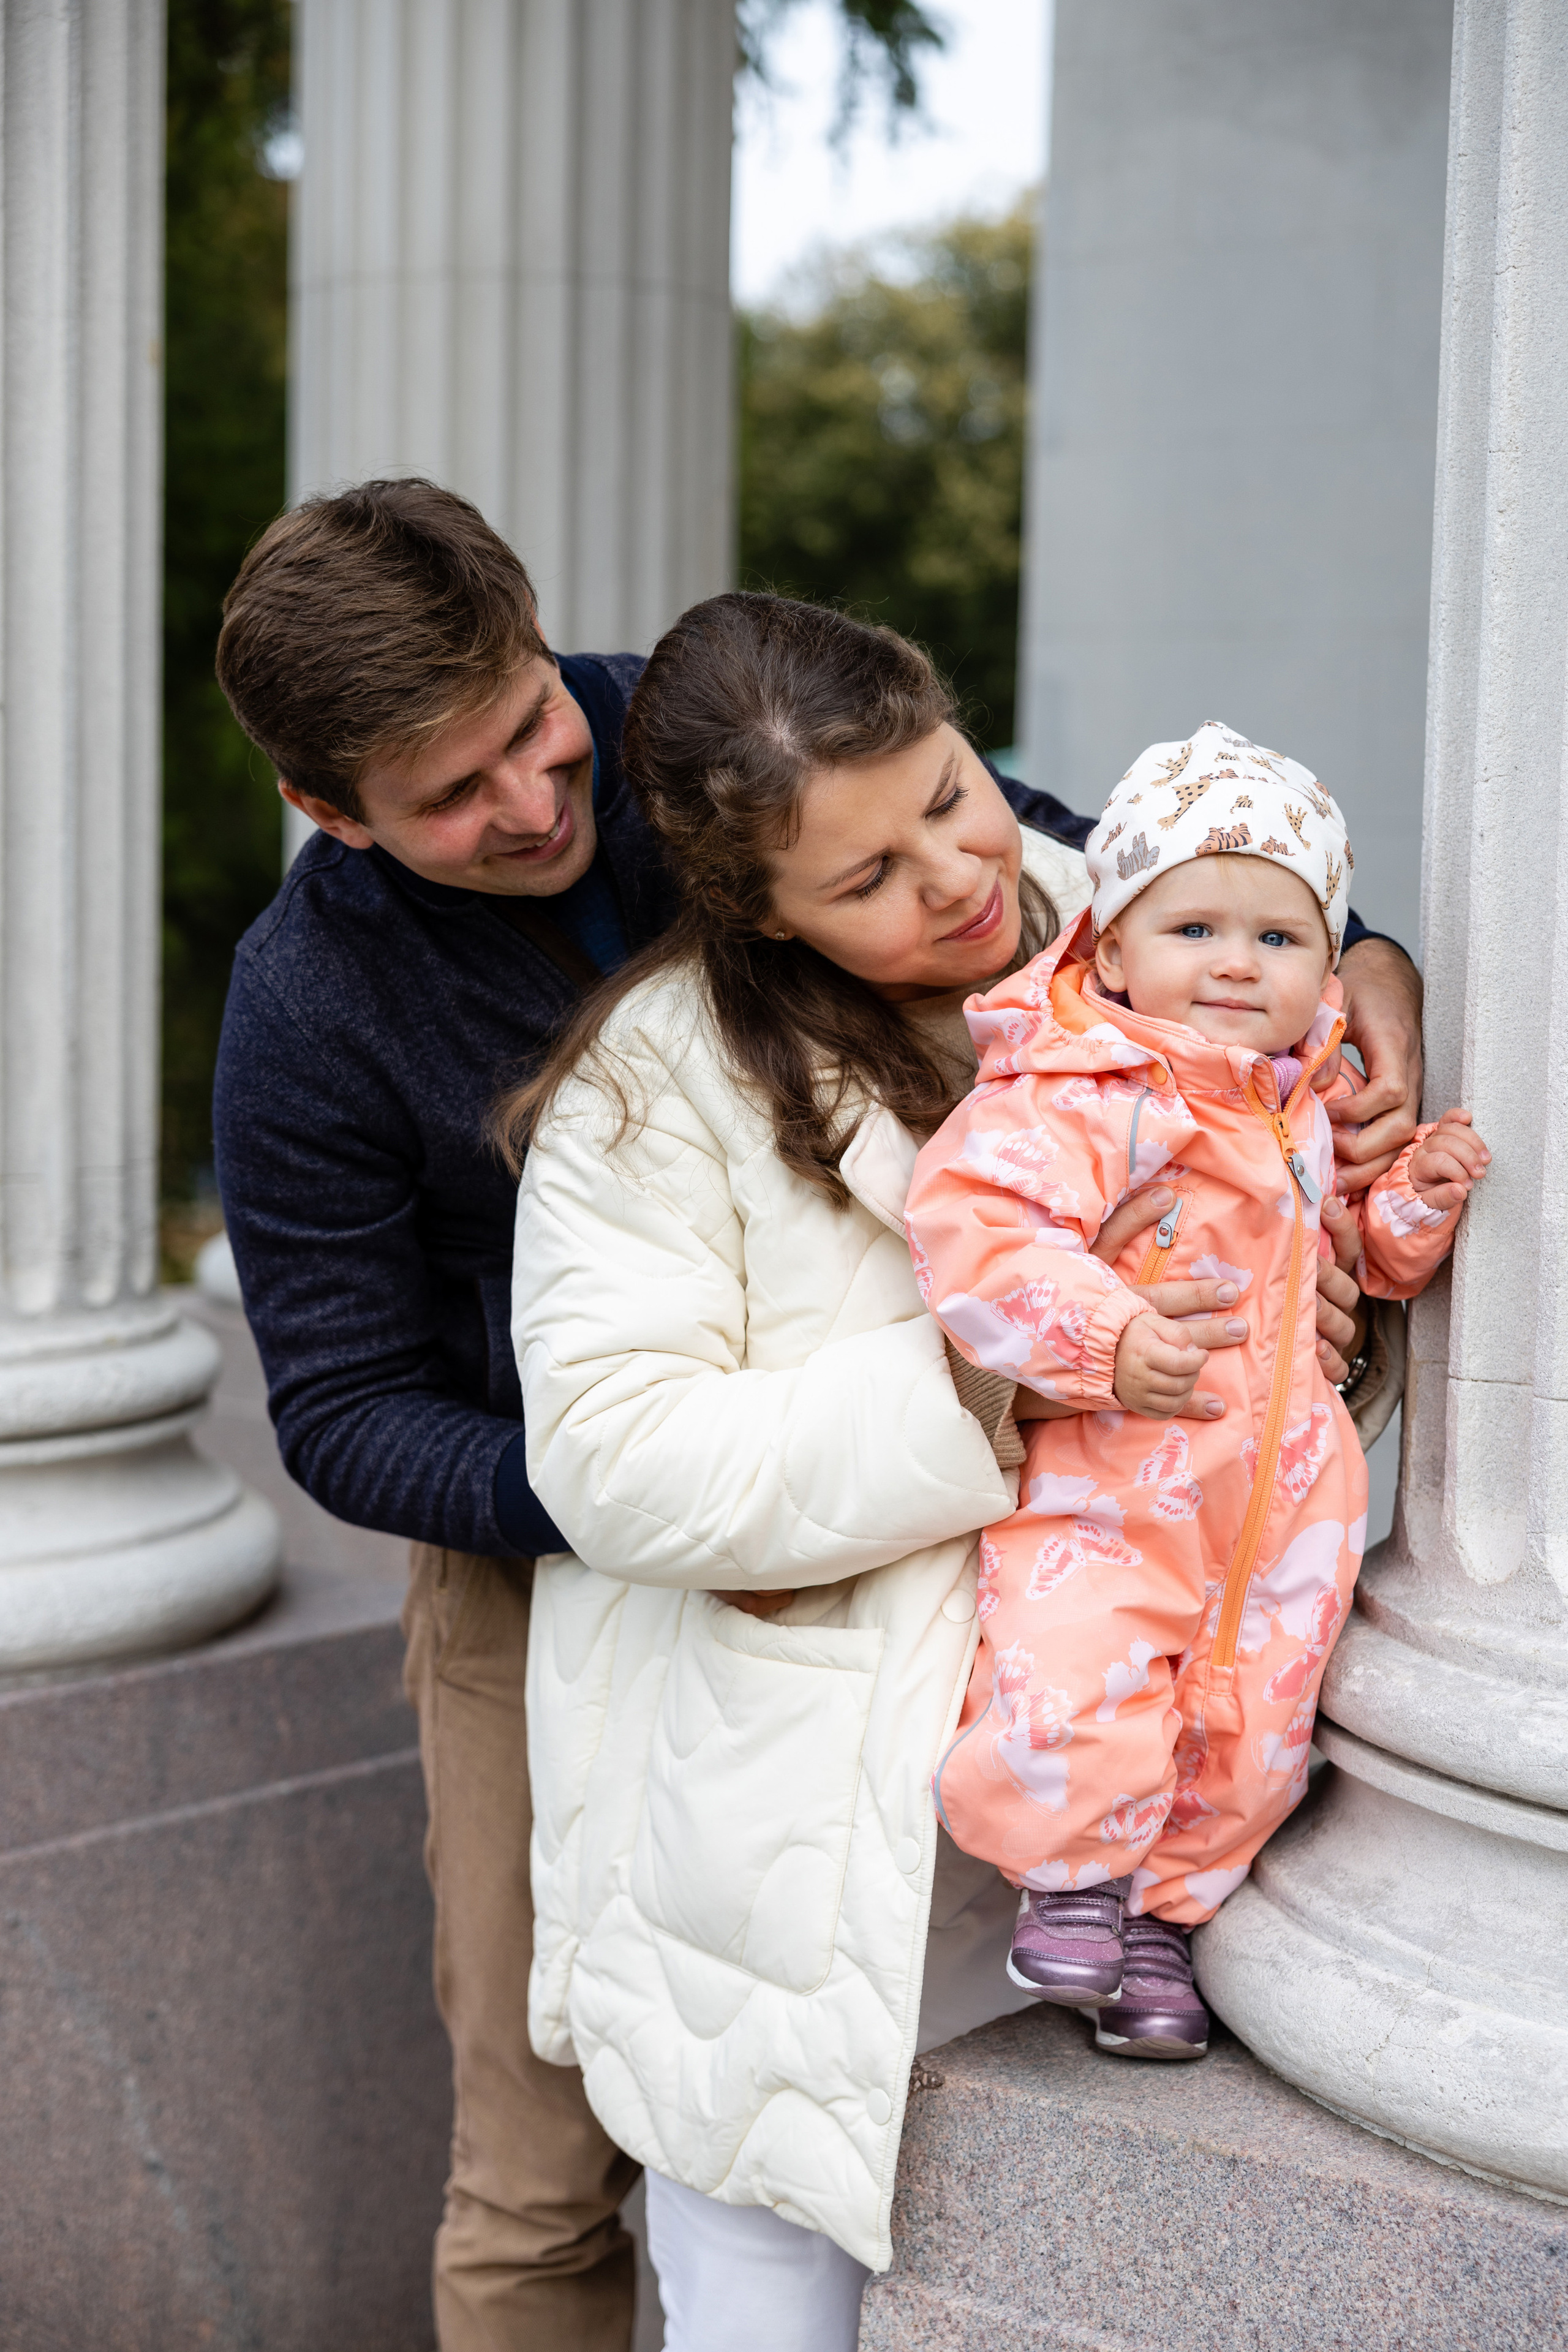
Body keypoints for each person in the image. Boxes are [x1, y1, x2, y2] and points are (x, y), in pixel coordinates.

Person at [211, 484, 1411, 2348]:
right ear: (331, 810)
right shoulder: (322, 1003)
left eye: (533, 731)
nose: (531, 803)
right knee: (551, 2156)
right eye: (451, 797)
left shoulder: (736, 732)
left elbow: (1148, 887)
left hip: (1023, 1577)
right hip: (544, 1543)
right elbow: (361, 1412)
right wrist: (705, 1525)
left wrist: (1366, 976)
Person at [505, 607, 1423, 2347]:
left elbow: (1300, 1282)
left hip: (1142, 1810)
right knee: (772, 2307)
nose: (952, 878)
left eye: (947, 796)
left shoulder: (1170, 926)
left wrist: (1331, 1284)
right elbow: (617, 1464)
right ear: (762, 910)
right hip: (815, 1833)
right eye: (866, 877)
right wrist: (996, 1374)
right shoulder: (653, 1084)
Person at [902, 723, 1488, 2066]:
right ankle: (1072, 1882)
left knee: (1255, 1721)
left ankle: (1165, 1923)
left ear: (1326, 967)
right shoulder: (1078, 1090)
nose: (1235, 962)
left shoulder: (1310, 1102)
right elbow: (978, 1233)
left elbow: (1356, 1259)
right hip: (1117, 1477)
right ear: (1111, 950)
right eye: (1195, 929)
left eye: (1278, 938)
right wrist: (1105, 1335)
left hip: (1281, 1501)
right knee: (1077, 1668)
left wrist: (1411, 1202)